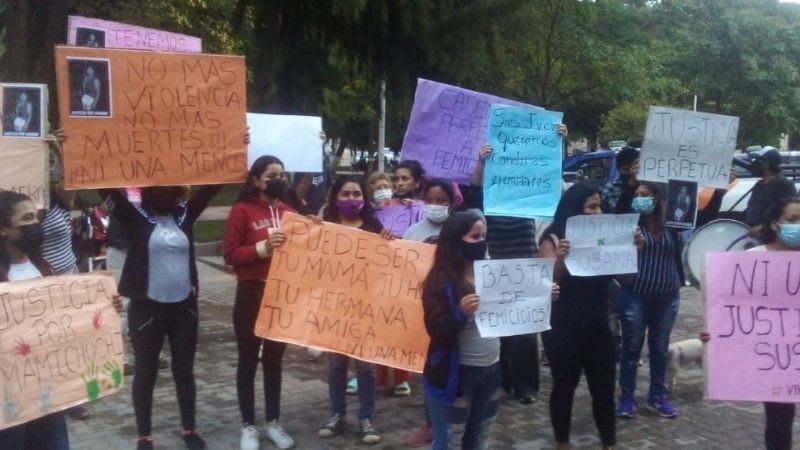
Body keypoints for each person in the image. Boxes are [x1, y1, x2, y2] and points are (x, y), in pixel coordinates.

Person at [0, 191, 122, 449]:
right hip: (9, 401)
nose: (36, 225)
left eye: (36, 217)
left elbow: (67, 319)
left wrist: (104, 306)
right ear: (4, 229)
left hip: (47, 395)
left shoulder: (43, 268)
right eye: (27, 219)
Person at [701, 197, 800, 450]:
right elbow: (731, 311)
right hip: (778, 361)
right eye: (792, 220)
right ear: (775, 224)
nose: (798, 225)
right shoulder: (752, 259)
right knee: (780, 421)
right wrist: (715, 332)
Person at [538, 184, 625, 450]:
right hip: (562, 326)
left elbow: (626, 279)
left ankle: (609, 443)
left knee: (604, 388)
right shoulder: (551, 238)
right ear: (574, 209)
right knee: (565, 386)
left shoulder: (605, 238)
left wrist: (631, 252)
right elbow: (545, 284)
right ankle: (562, 442)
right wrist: (562, 259)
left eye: (600, 206)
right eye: (591, 207)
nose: (597, 212)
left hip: (597, 324)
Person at [224, 155, 296, 450]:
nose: (277, 179)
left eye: (281, 174)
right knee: (248, 360)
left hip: (280, 296)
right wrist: (262, 249)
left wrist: (313, 229)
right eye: (270, 175)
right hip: (251, 294)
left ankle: (273, 422)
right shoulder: (242, 210)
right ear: (255, 180)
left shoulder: (291, 212)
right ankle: (249, 426)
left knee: (274, 361)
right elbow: (230, 254)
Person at [471, 143, 541, 405]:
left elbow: (548, 179)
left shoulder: (531, 201)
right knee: (499, 332)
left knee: (525, 334)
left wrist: (559, 144)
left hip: (526, 270)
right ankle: (501, 381)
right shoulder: (488, 203)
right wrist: (482, 161)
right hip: (496, 271)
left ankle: (525, 386)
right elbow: (474, 190)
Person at [316, 175, 383, 445]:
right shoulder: (325, 226)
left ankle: (366, 418)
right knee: (336, 365)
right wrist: (308, 230)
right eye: (345, 193)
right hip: (335, 307)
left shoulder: (374, 226)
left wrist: (389, 242)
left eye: (357, 193)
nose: (352, 198)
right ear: (335, 197)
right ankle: (337, 415)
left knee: (366, 368)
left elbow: (385, 265)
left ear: (364, 198)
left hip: (365, 307)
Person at [616, 181, 684, 420]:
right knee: (631, 348)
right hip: (636, 295)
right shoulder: (629, 225)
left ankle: (657, 395)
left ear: (656, 198)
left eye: (644, 194)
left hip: (667, 296)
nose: (639, 198)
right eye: (636, 194)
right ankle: (626, 397)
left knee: (659, 348)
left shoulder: (673, 226)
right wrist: (630, 246)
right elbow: (614, 255)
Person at [402, 178, 457, 448]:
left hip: (455, 312)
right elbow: (400, 267)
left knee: (452, 368)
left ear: (452, 203)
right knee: (430, 370)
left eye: (442, 201)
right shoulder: (413, 231)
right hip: (423, 313)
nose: (435, 206)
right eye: (431, 200)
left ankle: (450, 422)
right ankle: (430, 423)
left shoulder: (459, 229)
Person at [744, 148, 797, 232]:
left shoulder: (784, 185)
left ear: (767, 164)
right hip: (752, 233)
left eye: (758, 161)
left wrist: (763, 227)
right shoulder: (759, 185)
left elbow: (788, 213)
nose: (755, 164)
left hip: (770, 234)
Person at [600, 147, 640, 214]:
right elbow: (615, 217)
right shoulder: (609, 189)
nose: (631, 173)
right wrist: (630, 186)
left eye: (634, 169)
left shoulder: (648, 185)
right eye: (626, 170)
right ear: (618, 169)